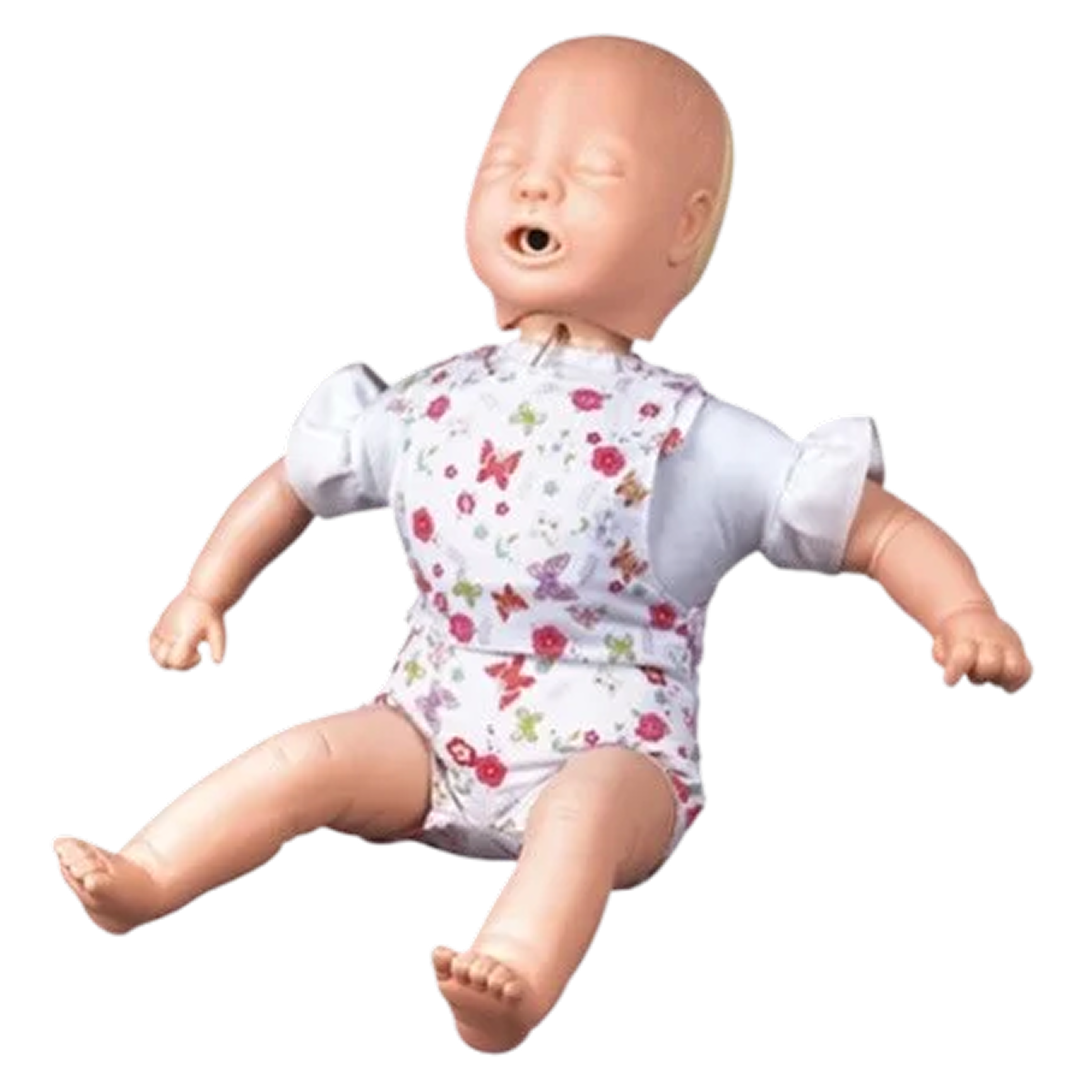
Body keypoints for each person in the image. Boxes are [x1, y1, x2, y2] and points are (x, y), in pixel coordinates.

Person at [55, 35, 1032, 1054]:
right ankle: (150, 872)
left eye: (595, 170)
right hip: (426, 730)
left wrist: (961, 609)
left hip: (619, 754)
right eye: (507, 162)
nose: (536, 184)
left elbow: (876, 528)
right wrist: (206, 588)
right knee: (303, 757)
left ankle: (511, 975)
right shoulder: (433, 400)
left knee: (583, 818)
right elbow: (292, 485)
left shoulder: (693, 436)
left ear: (684, 227)